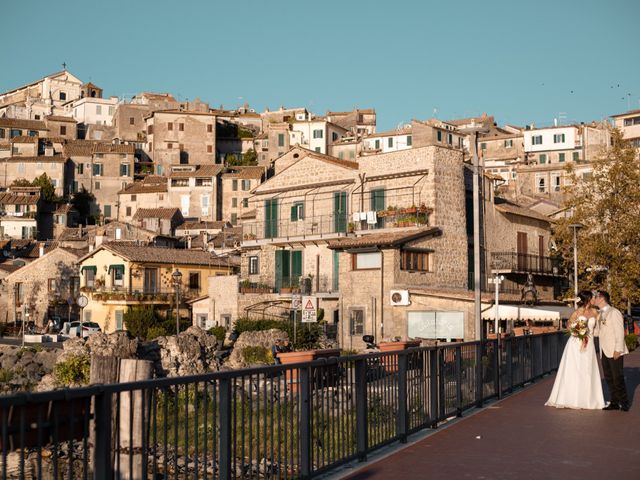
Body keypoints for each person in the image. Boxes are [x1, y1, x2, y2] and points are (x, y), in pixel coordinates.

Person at [545, 290, 605, 409]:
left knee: (587, 370)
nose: (594, 299)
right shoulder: (577, 312)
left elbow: (603, 324)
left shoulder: (595, 312)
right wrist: (579, 334)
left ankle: (588, 399)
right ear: (587, 299)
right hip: (576, 344)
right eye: (592, 297)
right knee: (575, 369)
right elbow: (569, 326)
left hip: (590, 344)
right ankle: (571, 398)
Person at [593, 290, 630, 411]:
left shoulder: (614, 312)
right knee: (608, 377)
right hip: (604, 350)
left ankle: (625, 403)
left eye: (596, 297)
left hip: (614, 350)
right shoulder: (599, 314)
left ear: (602, 299)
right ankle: (614, 402)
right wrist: (583, 333)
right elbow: (598, 332)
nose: (594, 299)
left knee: (617, 377)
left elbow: (619, 331)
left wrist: (618, 349)